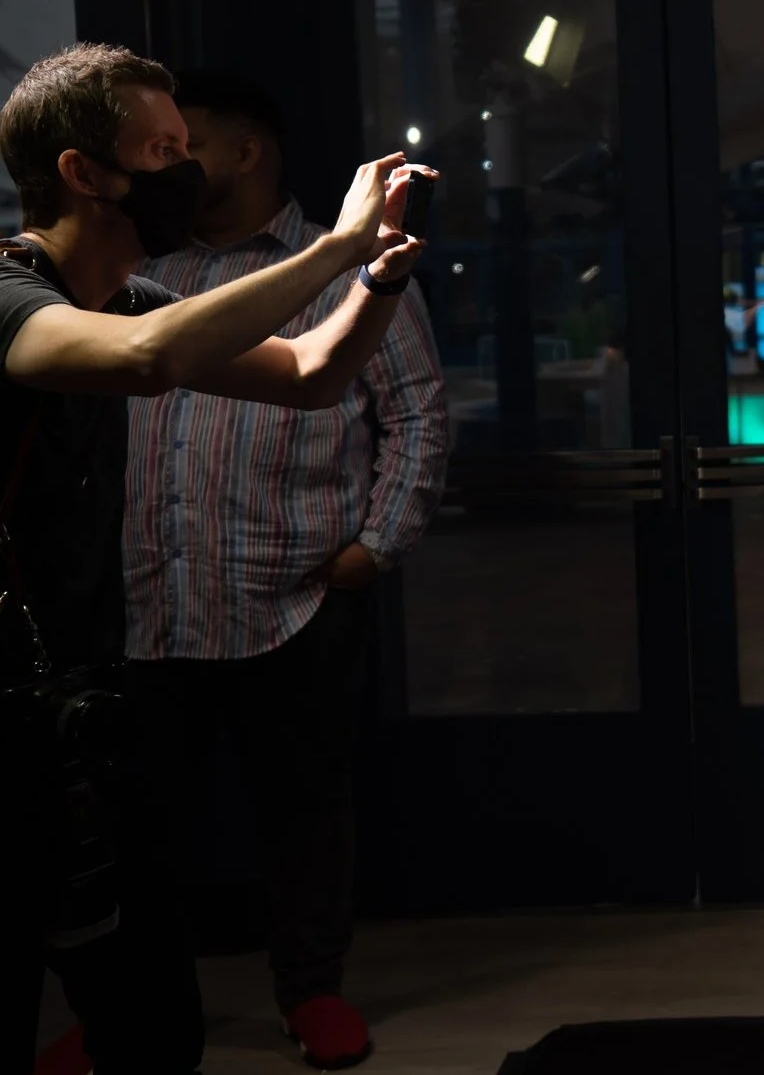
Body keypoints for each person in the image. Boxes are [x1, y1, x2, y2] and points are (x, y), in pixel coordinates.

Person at [0, 43, 433, 1074]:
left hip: (78, 712)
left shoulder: (119, 299)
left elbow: (310, 372)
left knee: (154, 1023)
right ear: (84, 172)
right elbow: (150, 360)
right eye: (164, 150)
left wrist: (378, 275)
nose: (189, 169)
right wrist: (334, 248)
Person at [120, 71, 447, 1070]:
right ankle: (123, 1009)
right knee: (136, 828)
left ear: (246, 150)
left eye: (184, 144)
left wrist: (374, 547)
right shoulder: (139, 265)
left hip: (294, 597)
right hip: (145, 599)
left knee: (305, 816)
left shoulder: (346, 262)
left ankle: (312, 993)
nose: (167, 164)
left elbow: (416, 412)